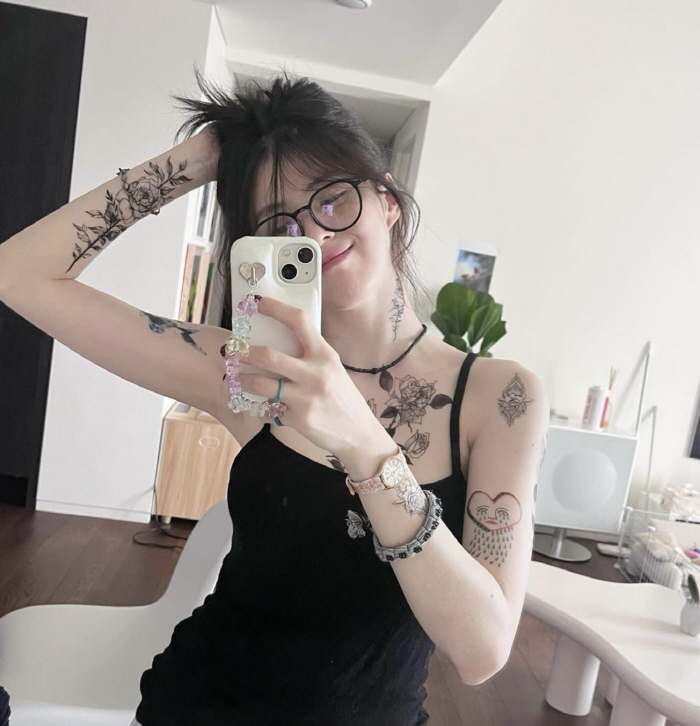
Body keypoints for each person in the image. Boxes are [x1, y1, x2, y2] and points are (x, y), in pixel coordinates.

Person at [0, 70, 549, 726]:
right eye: (280, 224)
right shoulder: (245, 370)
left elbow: (483, 651)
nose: (313, 235)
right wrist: (203, 158)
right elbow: (18, 274)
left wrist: (364, 443)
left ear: (387, 199)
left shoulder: (500, 396)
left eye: (332, 199)